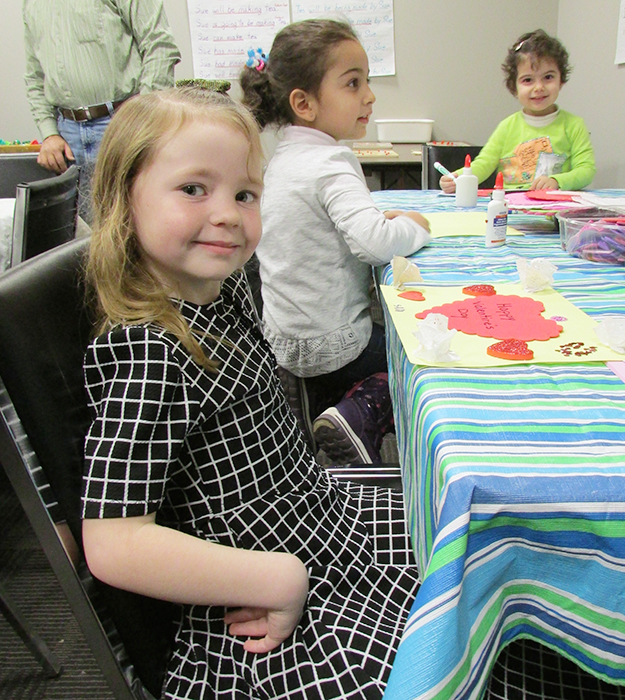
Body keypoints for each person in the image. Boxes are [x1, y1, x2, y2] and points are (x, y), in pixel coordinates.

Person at [80, 86, 420, 700]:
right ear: (122, 201)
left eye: (245, 194)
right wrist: (277, 579)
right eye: (193, 189)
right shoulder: (147, 351)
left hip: (312, 527)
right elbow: (113, 542)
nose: (229, 213)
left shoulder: (223, 291)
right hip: (256, 599)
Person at [240, 19, 431, 464]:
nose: (370, 95)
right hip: (340, 344)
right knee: (418, 357)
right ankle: (361, 413)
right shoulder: (331, 160)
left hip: (287, 344)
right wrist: (418, 226)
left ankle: (318, 432)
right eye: (353, 83)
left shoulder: (282, 159)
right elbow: (375, 244)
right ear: (304, 103)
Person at [23, 0, 180, 214]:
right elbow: (35, 74)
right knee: (79, 238)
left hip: (122, 124)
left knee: (134, 227)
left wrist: (144, 120)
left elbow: (160, 46)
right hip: (67, 138)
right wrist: (49, 133)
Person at [441, 29, 595, 193]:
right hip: (510, 208)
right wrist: (461, 177)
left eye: (548, 77)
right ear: (514, 88)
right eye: (528, 80)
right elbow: (484, 163)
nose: (539, 87)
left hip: (554, 210)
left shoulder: (573, 125)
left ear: (561, 81)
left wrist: (557, 181)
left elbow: (586, 170)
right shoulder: (506, 127)